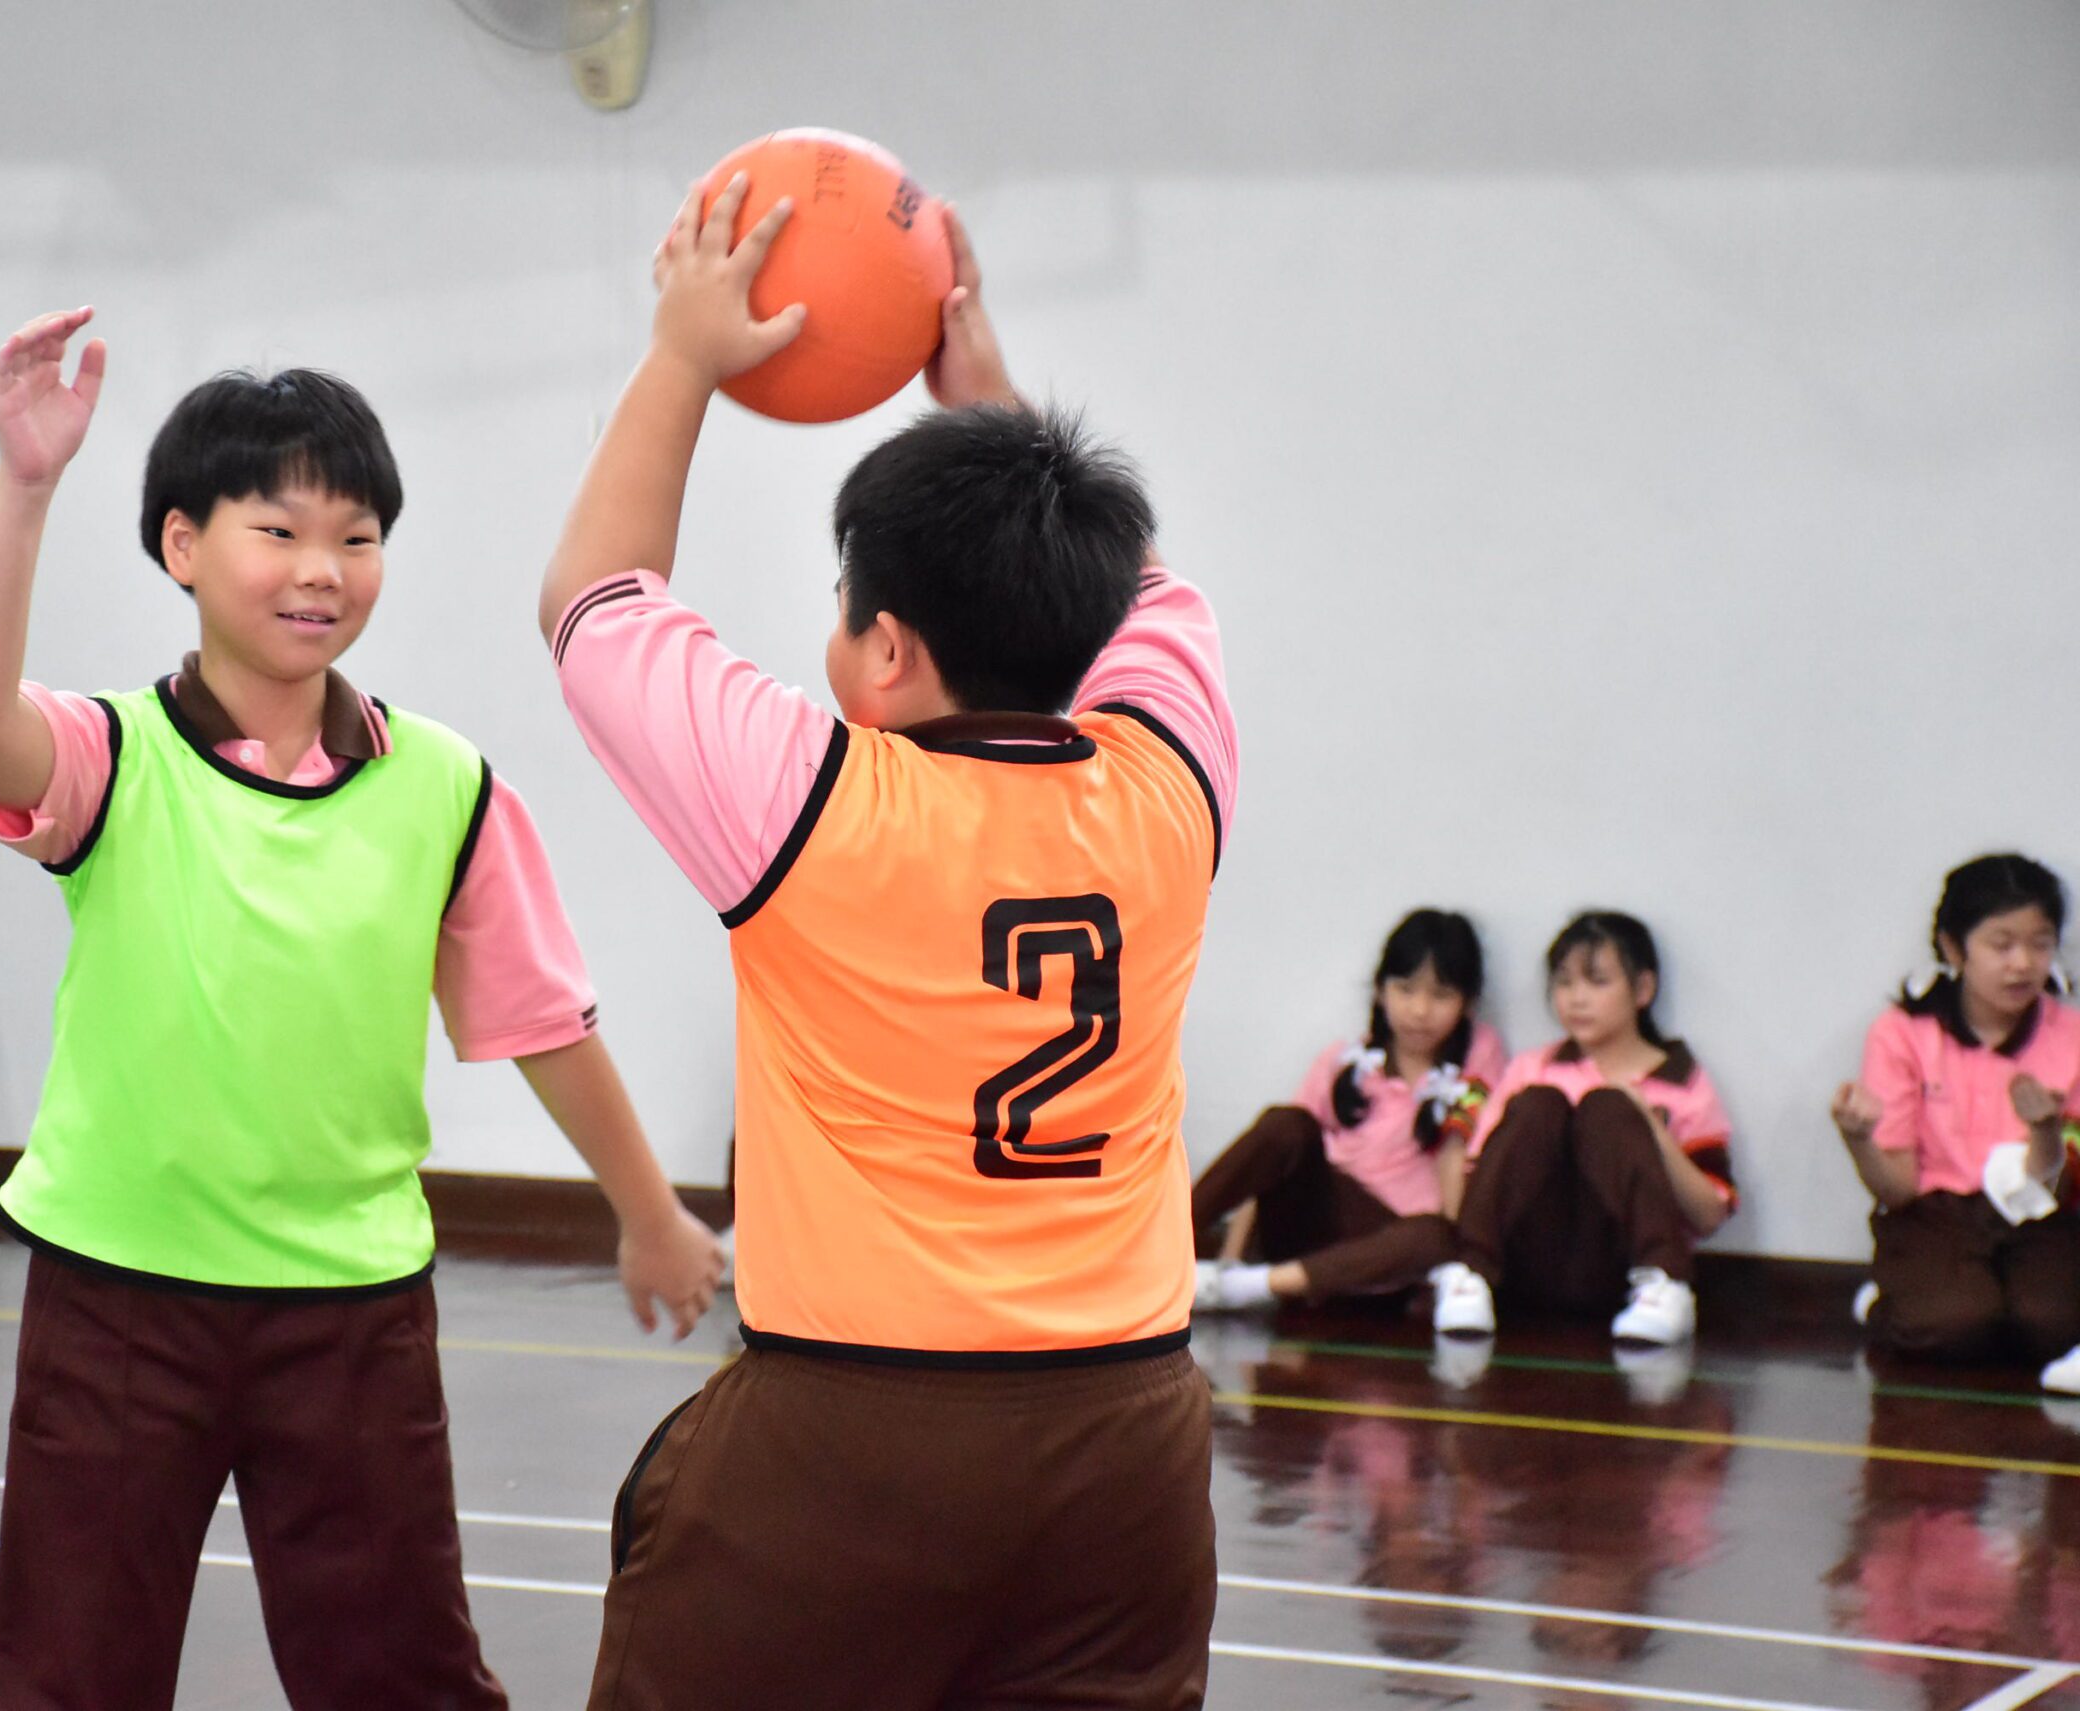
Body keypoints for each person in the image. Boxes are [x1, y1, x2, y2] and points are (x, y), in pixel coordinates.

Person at [0, 307, 720, 1709]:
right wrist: (26, 485)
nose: (321, 569)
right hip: (120, 1295)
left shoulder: (444, 782)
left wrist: (649, 1212)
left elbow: (543, 1017)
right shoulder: (114, 757)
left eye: (357, 536)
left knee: (401, 1674)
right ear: (182, 545)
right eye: (278, 530)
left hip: (351, 1308)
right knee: (69, 1674)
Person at [542, 181, 1236, 1710]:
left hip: (860, 1435)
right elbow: (1137, 599)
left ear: (890, 650)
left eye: (846, 608)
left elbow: (594, 600)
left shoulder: (815, 804)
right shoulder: (1173, 784)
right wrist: (987, 402)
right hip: (1131, 1439)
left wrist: (683, 354)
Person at [1830, 853, 2080, 1391]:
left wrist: (2044, 1132)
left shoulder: (2071, 1036)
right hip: (1934, 1214)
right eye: (2001, 944)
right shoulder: (1902, 1033)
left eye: (2040, 944)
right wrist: (1858, 1140)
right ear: (1952, 948)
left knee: (2054, 1327)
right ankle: (1888, 1299)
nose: (2022, 964)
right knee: (1953, 1328)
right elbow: (1897, 1189)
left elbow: (2061, 1188)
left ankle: (1979, 1303)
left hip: (2038, 1215)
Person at [1431, 911, 1735, 1348]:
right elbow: (1480, 1183)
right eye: (1564, 983)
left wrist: (1648, 1129)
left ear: (1643, 989)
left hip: (1622, 1272)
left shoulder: (1682, 1079)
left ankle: (1665, 1284)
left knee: (1608, 1108)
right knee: (1540, 1103)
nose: (1576, 999)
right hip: (1526, 1265)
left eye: (1597, 982)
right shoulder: (1532, 1068)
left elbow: (1710, 1214)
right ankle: (1471, 1275)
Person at [1189, 908, 1501, 1312]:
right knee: (1286, 1123)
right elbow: (1270, 1163)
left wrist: (1457, 1265)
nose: (1420, 1010)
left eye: (1440, 995)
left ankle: (1250, 1287)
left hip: (1395, 1247)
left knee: (1436, 1235)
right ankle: (1167, 1245)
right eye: (1406, 990)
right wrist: (1230, 1257)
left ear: (1468, 1003)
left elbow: (1457, 1161)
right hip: (1318, 1223)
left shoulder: (1479, 1057)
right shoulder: (1343, 1062)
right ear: (1380, 991)